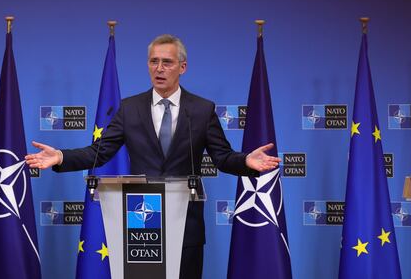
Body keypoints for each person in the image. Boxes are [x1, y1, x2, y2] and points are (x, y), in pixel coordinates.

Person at [26, 34, 280, 279]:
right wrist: (60, 156)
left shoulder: (202, 110)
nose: (159, 68)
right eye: (153, 61)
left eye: (167, 62)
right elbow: (98, 153)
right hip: (143, 221)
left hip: (186, 226)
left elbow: (222, 157)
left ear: (182, 67)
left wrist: (246, 162)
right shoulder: (130, 108)